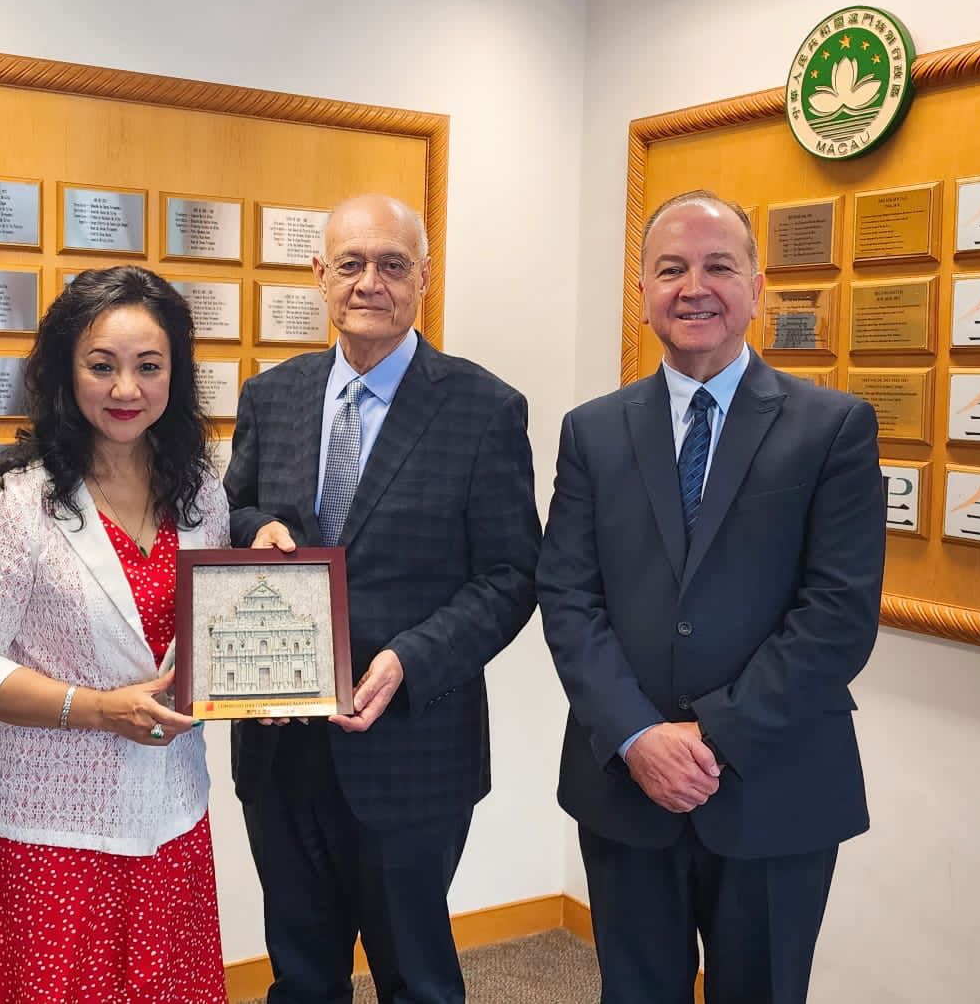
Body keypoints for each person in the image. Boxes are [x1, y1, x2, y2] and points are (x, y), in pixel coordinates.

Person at [538, 190, 884, 1004]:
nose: (694, 286)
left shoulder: (832, 427)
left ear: (757, 289)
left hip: (777, 785)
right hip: (625, 785)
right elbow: (567, 595)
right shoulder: (593, 430)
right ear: (644, 296)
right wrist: (637, 736)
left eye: (718, 266)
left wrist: (714, 737)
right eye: (671, 269)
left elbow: (837, 615)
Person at [224, 193, 540, 1003]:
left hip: (412, 743)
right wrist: (256, 531)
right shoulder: (273, 396)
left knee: (418, 980)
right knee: (300, 972)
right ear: (319, 275)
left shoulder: (484, 408)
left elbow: (511, 575)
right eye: (353, 264)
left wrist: (409, 659)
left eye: (393, 265)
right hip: (280, 740)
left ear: (423, 279)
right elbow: (238, 512)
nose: (372, 282)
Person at [0, 266, 229, 1004]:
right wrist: (97, 708)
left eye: (148, 366)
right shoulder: (17, 505)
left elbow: (209, 639)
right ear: (67, 371)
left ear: (175, 375)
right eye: (103, 366)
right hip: (50, 831)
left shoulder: (202, 494)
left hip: (171, 814)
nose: (126, 389)